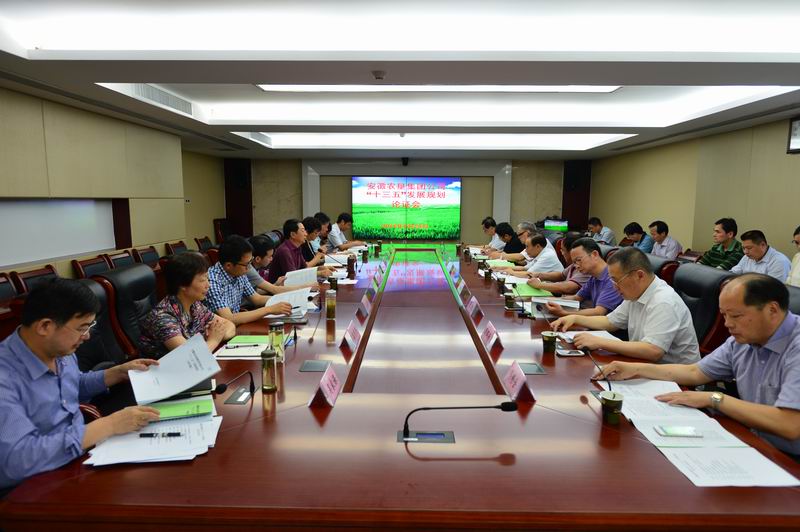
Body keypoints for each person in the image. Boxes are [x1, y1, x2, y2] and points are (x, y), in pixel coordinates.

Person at [594, 274, 800, 457]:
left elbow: (790, 424)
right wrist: (635, 369)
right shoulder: (742, 341)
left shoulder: (795, 347)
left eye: (736, 316)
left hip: (790, 459)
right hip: (756, 443)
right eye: (724, 315)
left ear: (772, 310)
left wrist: (714, 399)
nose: (727, 324)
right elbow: (695, 371)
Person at [0, 278, 162, 492]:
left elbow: (71, 386)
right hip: (35, 485)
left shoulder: (60, 350)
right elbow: (17, 461)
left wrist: (116, 373)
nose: (87, 336)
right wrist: (109, 425)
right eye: (82, 328)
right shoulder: (5, 379)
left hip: (82, 458)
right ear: (45, 326)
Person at [552, 247, 700, 364]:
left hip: (678, 379)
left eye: (617, 280)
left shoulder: (664, 301)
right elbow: (610, 322)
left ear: (639, 275)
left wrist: (599, 342)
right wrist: (575, 318)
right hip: (646, 365)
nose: (614, 286)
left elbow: (653, 350)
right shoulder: (635, 293)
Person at [140, 252, 236, 358]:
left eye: (207, 279)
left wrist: (215, 336)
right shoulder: (163, 317)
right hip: (164, 367)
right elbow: (190, 356)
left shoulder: (195, 305)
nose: (208, 285)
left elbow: (230, 325)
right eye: (202, 280)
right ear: (183, 284)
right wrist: (213, 340)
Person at [206, 235, 292, 325]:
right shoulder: (212, 282)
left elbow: (257, 299)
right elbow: (229, 318)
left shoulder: (238, 271)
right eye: (247, 264)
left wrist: (286, 300)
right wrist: (269, 310)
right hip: (222, 329)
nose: (249, 268)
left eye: (251, 262)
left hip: (237, 325)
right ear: (228, 265)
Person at [544, 238, 623, 317]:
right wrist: (548, 301)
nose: (577, 266)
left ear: (594, 254)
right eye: (574, 262)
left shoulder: (612, 278)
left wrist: (564, 313)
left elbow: (599, 312)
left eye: (579, 260)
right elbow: (576, 297)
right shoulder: (594, 277)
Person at [267, 219, 332, 284]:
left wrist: (320, 268)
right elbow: (292, 277)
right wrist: (319, 273)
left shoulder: (298, 247)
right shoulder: (284, 251)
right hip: (280, 287)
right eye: (302, 231)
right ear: (293, 234)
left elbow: (304, 267)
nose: (306, 234)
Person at [527, 231, 591, 296]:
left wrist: (539, 285)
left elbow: (568, 288)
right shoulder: (573, 265)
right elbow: (561, 275)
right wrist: (539, 275)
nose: (562, 253)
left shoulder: (586, 267)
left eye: (563, 250)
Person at [247, 235, 313, 294]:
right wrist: (308, 287)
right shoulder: (249, 269)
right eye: (270, 256)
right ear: (258, 259)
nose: (272, 259)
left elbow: (256, 291)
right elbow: (274, 290)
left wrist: (275, 284)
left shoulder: (256, 268)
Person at [495, 234, 563, 277]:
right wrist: (501, 268)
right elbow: (524, 268)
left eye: (527, 247)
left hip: (553, 291)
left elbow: (528, 274)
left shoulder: (547, 255)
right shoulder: (541, 253)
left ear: (537, 246)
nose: (526, 250)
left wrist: (511, 272)